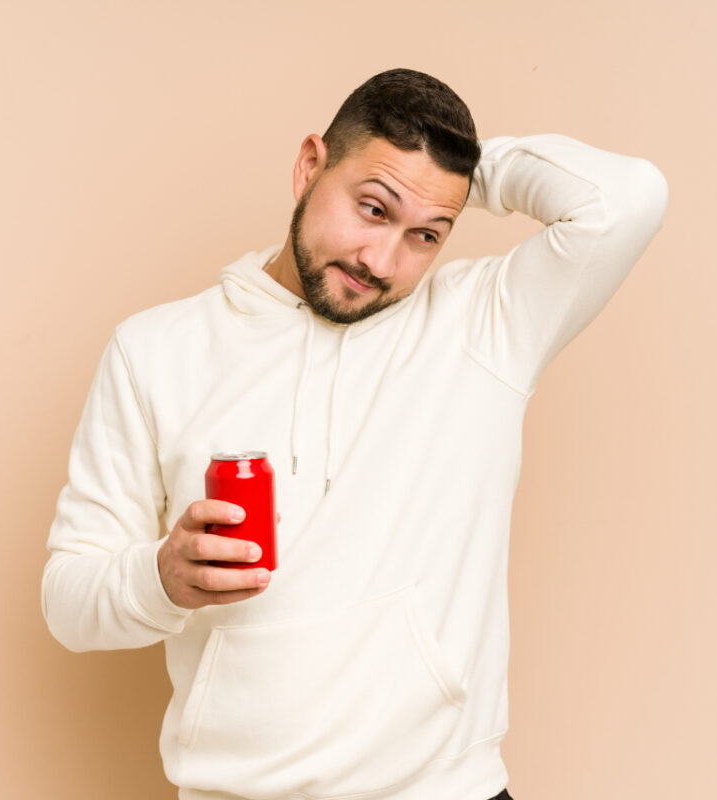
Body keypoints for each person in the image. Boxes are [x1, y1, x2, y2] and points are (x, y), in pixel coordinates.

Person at [42, 67, 668, 799]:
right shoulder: (155, 351)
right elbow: (67, 601)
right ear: (311, 165)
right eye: (372, 207)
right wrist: (160, 578)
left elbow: (630, 198)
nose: (383, 261)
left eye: (426, 234)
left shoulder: (485, 327)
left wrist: (462, 166)